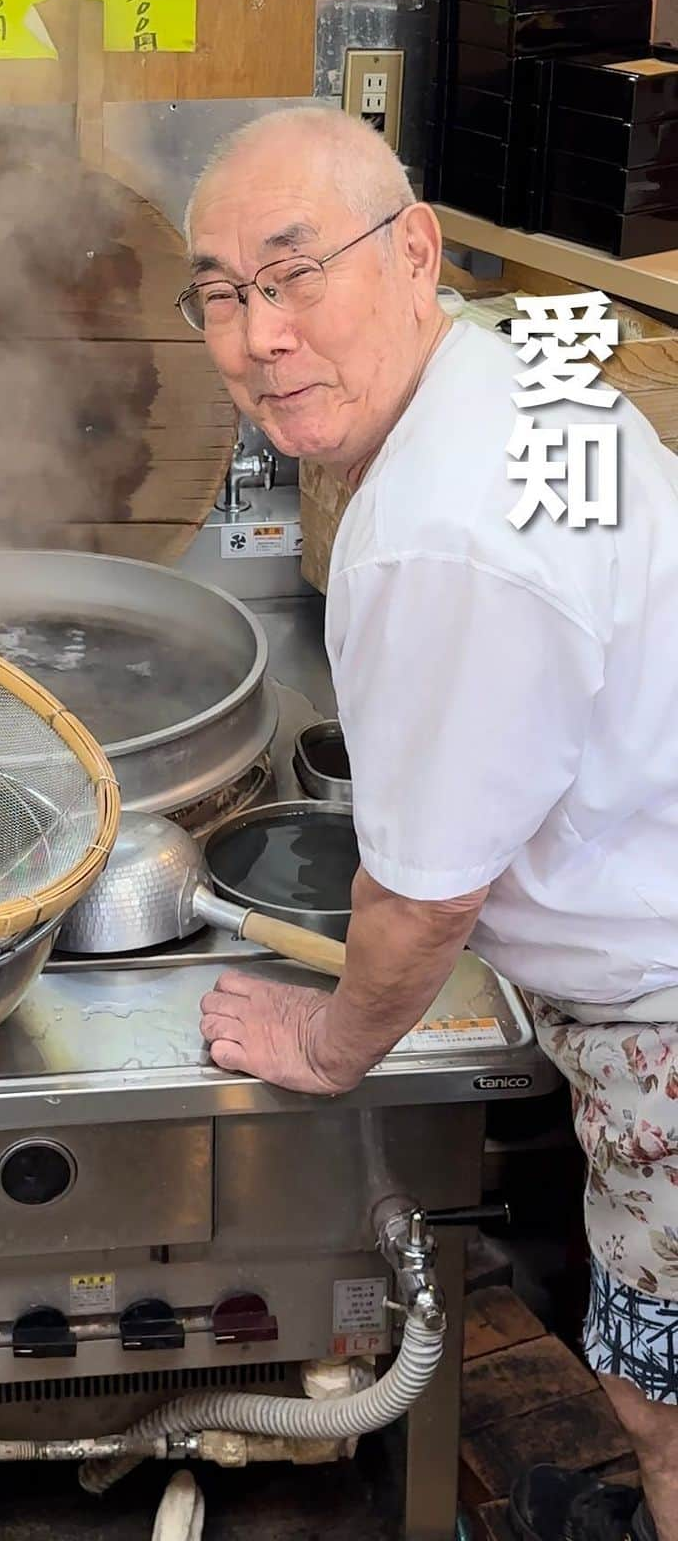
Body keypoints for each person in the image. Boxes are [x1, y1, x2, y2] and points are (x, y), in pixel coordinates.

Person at [183, 107, 678, 1541]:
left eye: (293, 275)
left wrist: (329, 1044)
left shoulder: (441, 537)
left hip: (660, 1006)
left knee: (662, 1398)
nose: (256, 336)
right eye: (220, 292)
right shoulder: (525, 364)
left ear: (414, 254)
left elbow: (422, 901)